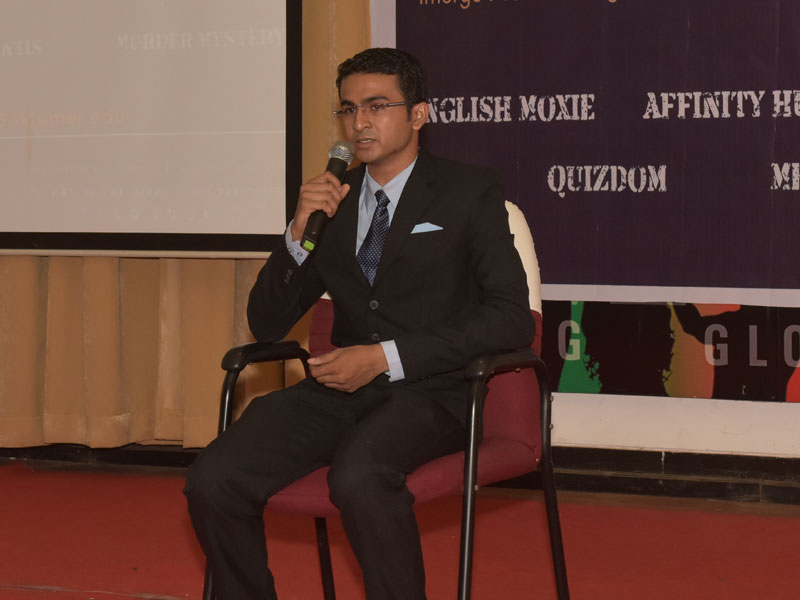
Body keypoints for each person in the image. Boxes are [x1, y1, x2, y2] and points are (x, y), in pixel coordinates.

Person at [184, 47, 535, 600]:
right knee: (213, 477)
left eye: (376, 106)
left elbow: (511, 318)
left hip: (433, 392)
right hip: (338, 392)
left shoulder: (470, 192)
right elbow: (266, 322)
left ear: (418, 114)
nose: (359, 123)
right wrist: (298, 232)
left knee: (360, 476)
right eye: (348, 109)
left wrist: (384, 358)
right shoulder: (334, 203)